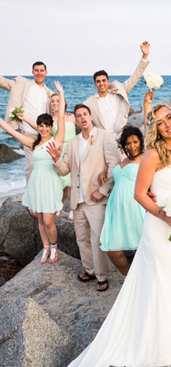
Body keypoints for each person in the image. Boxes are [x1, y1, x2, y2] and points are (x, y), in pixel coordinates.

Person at [41, 101, 171, 367]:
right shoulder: (154, 154)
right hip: (160, 227)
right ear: (153, 127)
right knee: (159, 281)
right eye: (159, 120)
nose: (167, 123)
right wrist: (166, 215)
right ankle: (156, 342)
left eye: (170, 116)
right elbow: (139, 194)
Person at [47, 104, 120, 292]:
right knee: (82, 239)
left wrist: (102, 190)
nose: (82, 118)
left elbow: (114, 165)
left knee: (97, 239)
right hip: (76, 201)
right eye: (78, 116)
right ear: (76, 121)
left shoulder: (104, 136)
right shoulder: (72, 143)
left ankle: (102, 276)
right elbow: (65, 169)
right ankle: (90, 270)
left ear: (90, 116)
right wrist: (56, 159)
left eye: (85, 114)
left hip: (96, 198)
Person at [0, 81, 65, 264]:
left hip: (51, 183)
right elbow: (11, 132)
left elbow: (60, 117)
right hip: (37, 183)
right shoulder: (33, 143)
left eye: (46, 125)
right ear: (38, 127)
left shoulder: (57, 140)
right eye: (41, 125)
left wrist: (61, 93)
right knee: (39, 220)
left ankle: (54, 247)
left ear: (50, 127)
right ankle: (45, 248)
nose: (44, 128)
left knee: (48, 222)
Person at [18, 92, 77, 220]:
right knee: (62, 181)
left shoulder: (70, 116)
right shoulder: (50, 119)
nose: (55, 103)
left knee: (73, 180)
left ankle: (72, 209)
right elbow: (41, 129)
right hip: (56, 150)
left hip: (71, 148)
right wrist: (25, 119)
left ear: (64, 103)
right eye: (53, 101)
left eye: (58, 101)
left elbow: (83, 127)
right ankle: (58, 205)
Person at [99, 126, 145, 276]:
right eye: (128, 143)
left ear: (141, 141)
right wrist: (103, 173)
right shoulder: (124, 160)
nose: (132, 146)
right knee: (113, 252)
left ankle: (146, 282)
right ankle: (130, 279)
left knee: (142, 249)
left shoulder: (146, 158)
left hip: (136, 207)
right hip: (117, 211)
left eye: (135, 142)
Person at [84, 41, 150, 143]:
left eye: (103, 80)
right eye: (98, 81)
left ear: (108, 81)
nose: (101, 84)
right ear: (95, 84)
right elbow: (82, 119)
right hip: (105, 141)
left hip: (124, 138)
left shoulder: (119, 91)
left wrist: (144, 56)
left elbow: (135, 76)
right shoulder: (89, 103)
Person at [0, 62, 53, 182]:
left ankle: (42, 191)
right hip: (28, 132)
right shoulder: (22, 84)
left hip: (44, 134)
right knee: (32, 166)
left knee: (44, 166)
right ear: (32, 72)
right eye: (36, 70)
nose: (39, 73)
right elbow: (3, 82)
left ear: (46, 72)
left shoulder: (49, 92)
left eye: (41, 70)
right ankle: (30, 195)